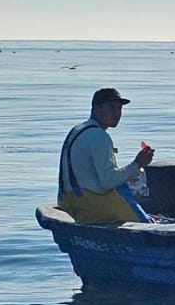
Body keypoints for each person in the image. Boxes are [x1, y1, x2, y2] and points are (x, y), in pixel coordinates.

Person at [57, 88, 155, 224]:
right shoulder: (99, 137)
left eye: (119, 108)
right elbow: (108, 181)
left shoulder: (78, 130)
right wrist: (138, 164)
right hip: (90, 205)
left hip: (69, 201)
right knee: (144, 222)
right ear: (96, 108)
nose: (116, 113)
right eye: (111, 108)